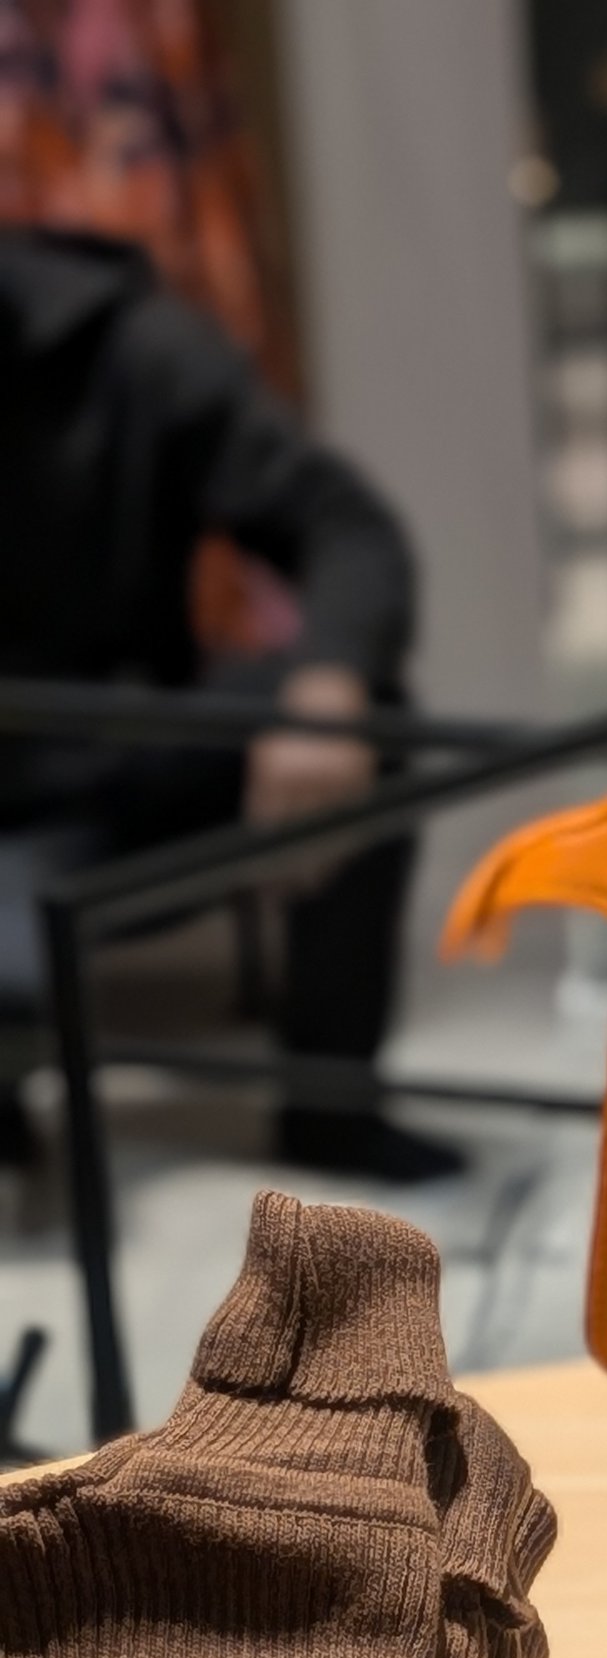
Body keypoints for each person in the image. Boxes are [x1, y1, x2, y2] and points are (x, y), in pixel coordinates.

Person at [0, 223, 457, 1183]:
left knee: (368, 725)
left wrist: (326, 687)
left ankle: (331, 1108)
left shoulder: (128, 346)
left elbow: (345, 526)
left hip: (119, 755)